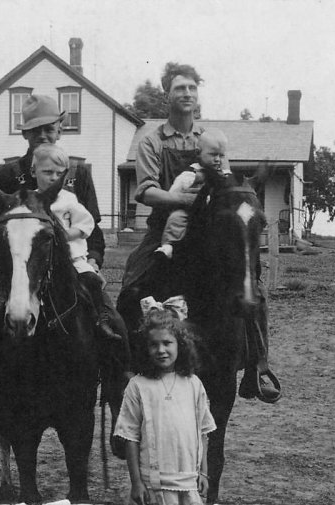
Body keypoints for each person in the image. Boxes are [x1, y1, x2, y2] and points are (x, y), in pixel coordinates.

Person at [0, 95, 128, 456]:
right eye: (36, 130)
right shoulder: (8, 174)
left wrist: (95, 259)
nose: (43, 136)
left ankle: (118, 403)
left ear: (59, 128)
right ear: (26, 134)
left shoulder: (76, 171)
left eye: (49, 128)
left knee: (111, 320)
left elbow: (93, 228)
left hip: (68, 268)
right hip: (16, 268)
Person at [116, 62, 205, 335]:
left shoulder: (208, 140)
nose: (187, 93)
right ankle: (124, 360)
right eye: (179, 88)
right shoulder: (152, 141)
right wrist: (184, 201)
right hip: (162, 230)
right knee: (133, 283)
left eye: (192, 87)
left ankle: (255, 363)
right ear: (167, 94)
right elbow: (146, 191)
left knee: (252, 286)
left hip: (204, 227)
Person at [114, 300, 216, 505]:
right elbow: (130, 437)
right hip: (153, 485)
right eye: (154, 344)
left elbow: (203, 432)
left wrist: (203, 472)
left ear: (181, 345)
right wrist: (136, 482)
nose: (161, 350)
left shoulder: (193, 384)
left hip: (188, 482)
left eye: (167, 343)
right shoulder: (138, 386)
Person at [31, 143, 118, 335]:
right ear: (33, 171)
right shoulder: (29, 200)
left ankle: (101, 320)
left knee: (92, 281)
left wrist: (66, 235)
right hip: (39, 261)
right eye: (47, 172)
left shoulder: (68, 199)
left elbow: (86, 222)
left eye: (59, 174)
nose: (54, 178)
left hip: (72, 260)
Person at [154, 129, 229, 260]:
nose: (217, 159)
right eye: (213, 154)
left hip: (218, 215)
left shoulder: (226, 176)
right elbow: (172, 195)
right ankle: (169, 245)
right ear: (198, 153)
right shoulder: (190, 175)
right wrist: (183, 199)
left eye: (221, 156)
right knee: (176, 217)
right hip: (191, 213)